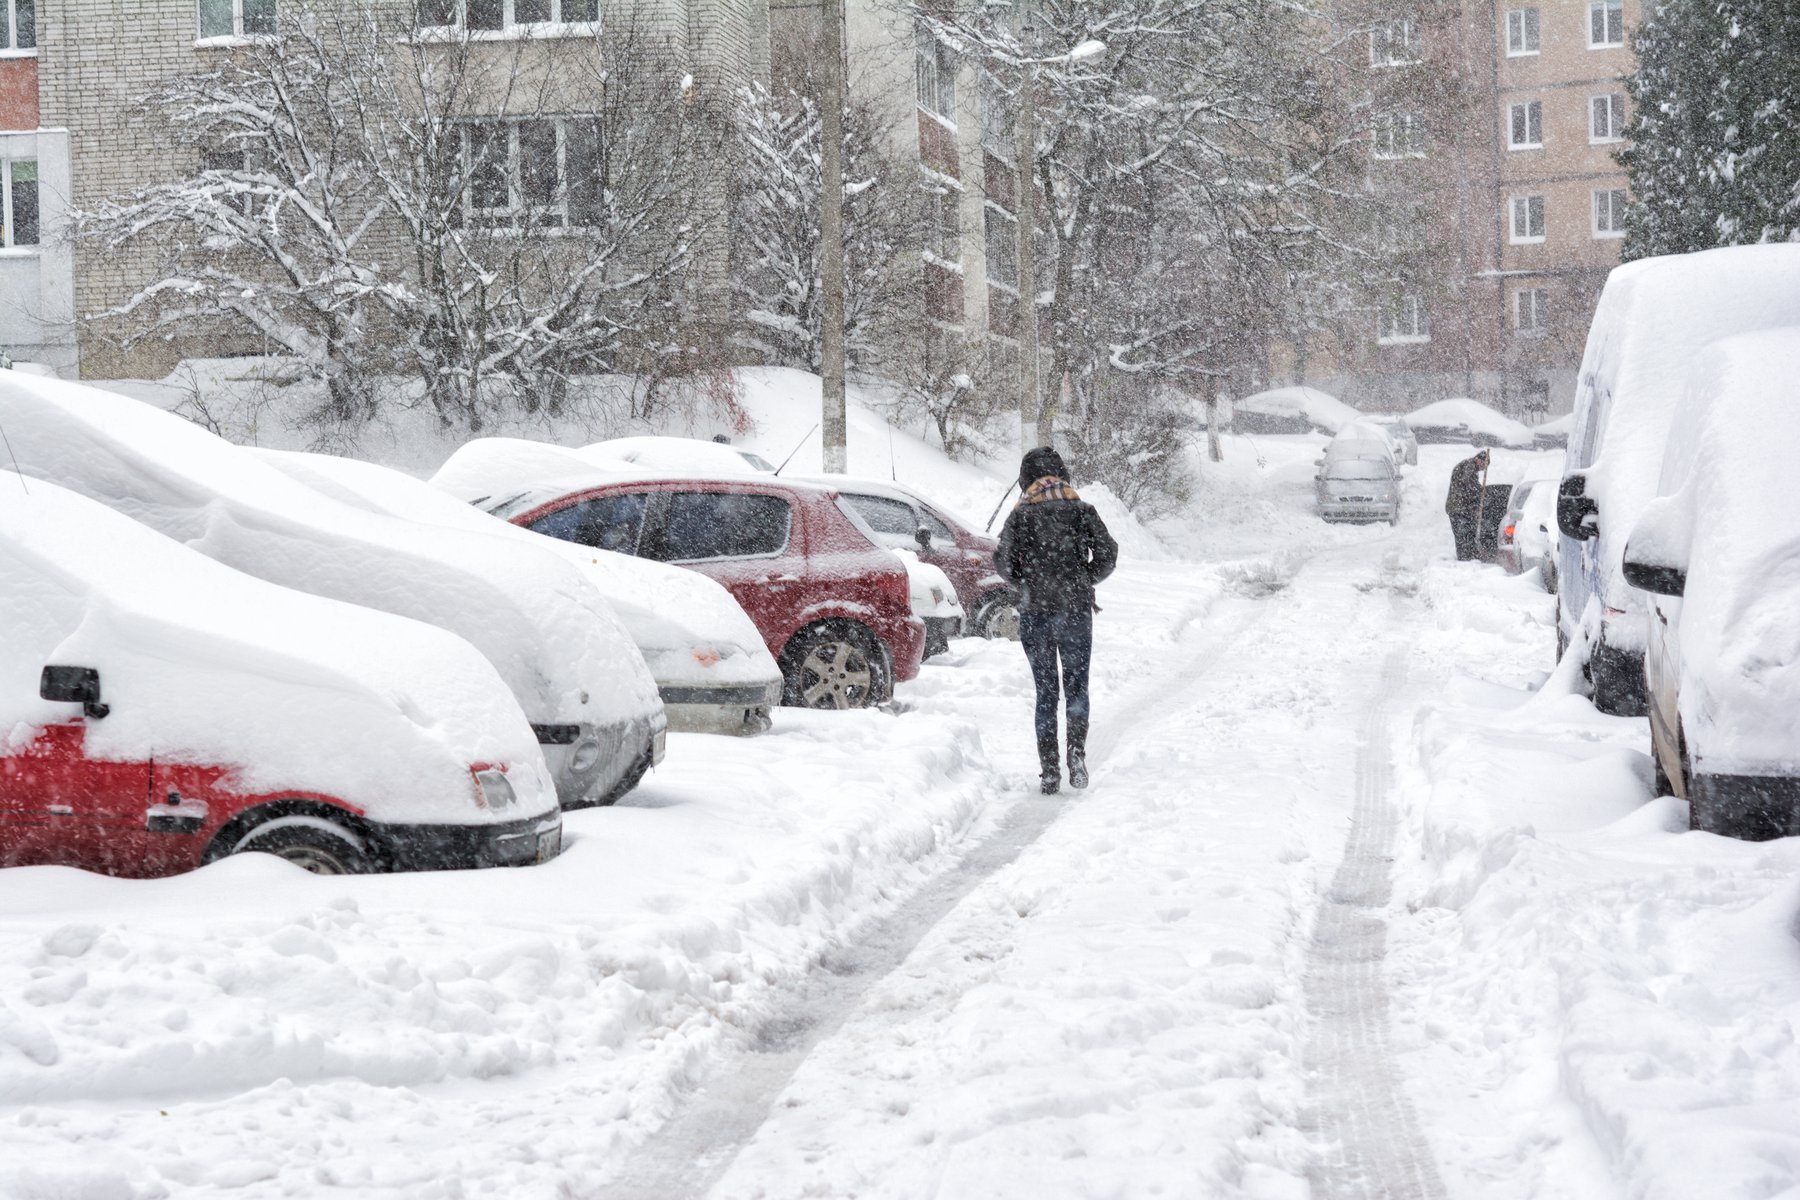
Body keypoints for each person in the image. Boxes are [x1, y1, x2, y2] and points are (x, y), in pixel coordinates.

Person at [996, 447, 1118, 794]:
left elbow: (1003, 563)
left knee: (1046, 693)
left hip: (1036, 614)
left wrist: (1027, 582)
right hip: (1076, 611)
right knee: (1077, 686)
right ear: (1062, 473)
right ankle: (1076, 754)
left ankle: (1049, 770)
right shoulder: (1081, 509)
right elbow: (1109, 553)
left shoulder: (1020, 514)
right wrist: (1084, 579)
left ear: (1026, 478)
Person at [1446, 448, 1489, 561]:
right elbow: (1469, 483)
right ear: (1479, 460)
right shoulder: (1469, 466)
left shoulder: (1468, 466)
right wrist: (1481, 491)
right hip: (1458, 509)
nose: (1483, 469)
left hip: (1458, 508)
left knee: (1463, 537)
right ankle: (1465, 560)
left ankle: (1465, 558)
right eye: (1484, 466)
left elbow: (1469, 485)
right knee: (1463, 536)